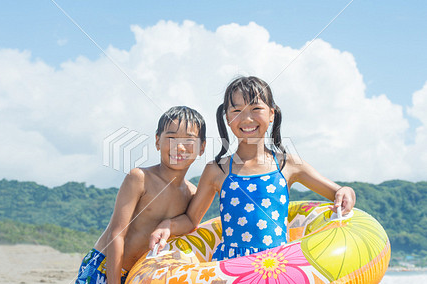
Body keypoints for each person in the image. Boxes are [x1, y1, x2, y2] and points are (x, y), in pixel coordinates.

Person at [149, 76, 356, 261]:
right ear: (227, 119)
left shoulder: (288, 164)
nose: (246, 119)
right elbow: (191, 219)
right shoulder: (217, 170)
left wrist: (346, 191)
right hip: (230, 267)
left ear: (272, 113)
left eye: (256, 109)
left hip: (275, 264)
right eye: (237, 111)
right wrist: (168, 225)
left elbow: (337, 192)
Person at [73, 106, 206, 284]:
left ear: (201, 147)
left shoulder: (192, 194)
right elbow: (117, 233)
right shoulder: (140, 178)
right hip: (104, 268)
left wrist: (168, 224)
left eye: (189, 140)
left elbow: (191, 221)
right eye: (171, 138)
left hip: (139, 277)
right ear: (157, 141)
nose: (180, 147)